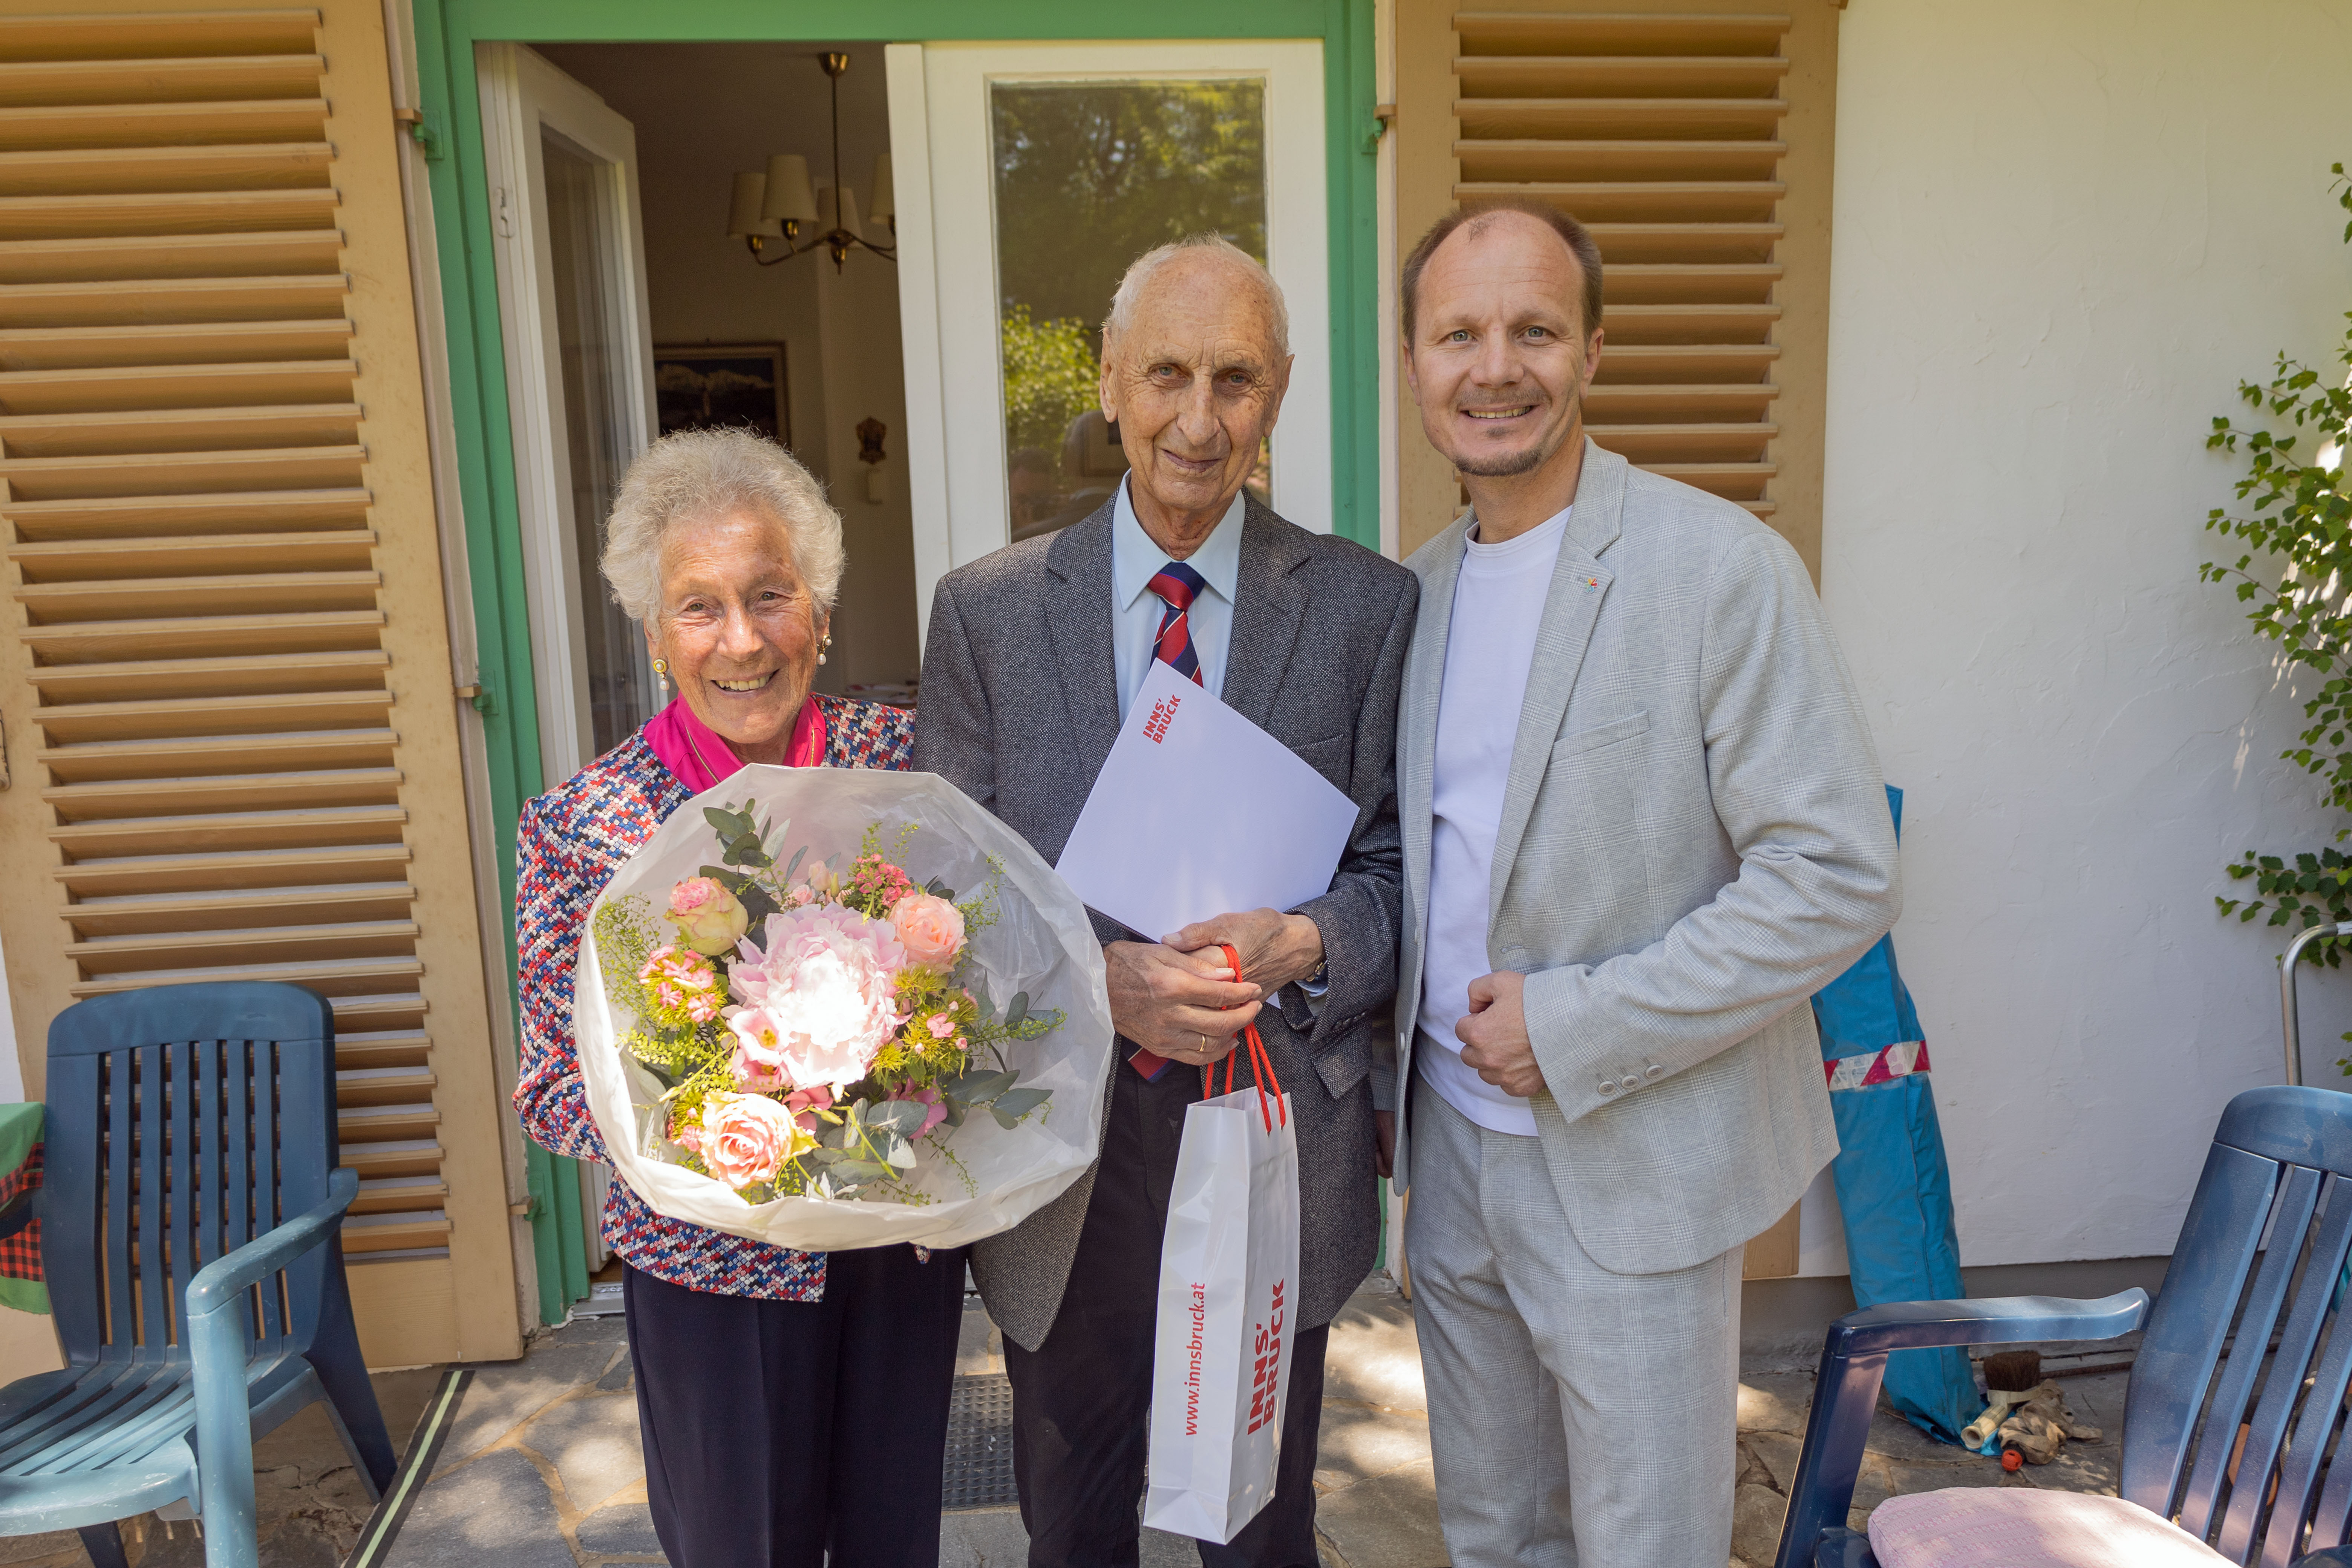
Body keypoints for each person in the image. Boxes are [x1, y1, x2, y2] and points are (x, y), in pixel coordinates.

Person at [1384, 199, 1901, 1568]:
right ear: (1417, 365)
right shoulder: (1415, 594)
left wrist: (1578, 1024)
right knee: (1496, 1534)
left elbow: (1838, 872)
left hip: (1638, 1163)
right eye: (1460, 334)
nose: (1496, 366)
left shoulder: (1721, 570)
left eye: (1535, 330)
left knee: (1647, 1545)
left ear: (1594, 352)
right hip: (1448, 1159)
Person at [914, 235, 1416, 1568]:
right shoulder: (989, 613)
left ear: (1284, 388)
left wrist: (1307, 938)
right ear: (1109, 379)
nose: (1201, 420)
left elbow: (1404, 874)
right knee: (1074, 1521)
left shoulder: (1369, 609)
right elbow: (944, 897)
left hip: (1272, 1122)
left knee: (1258, 1525)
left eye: (1237, 379)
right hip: (1064, 1139)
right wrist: (1104, 983)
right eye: (1168, 375)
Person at [512, 428, 965, 1568]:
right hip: (711, 1270)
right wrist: (730, 1104)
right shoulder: (585, 828)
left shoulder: (905, 767)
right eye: (700, 607)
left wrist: (917, 1062)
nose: (743, 640)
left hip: (892, 1255)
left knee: (891, 1543)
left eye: (771, 596)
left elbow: (985, 975)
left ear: (818, 609)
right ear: (657, 633)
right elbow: (555, 1094)